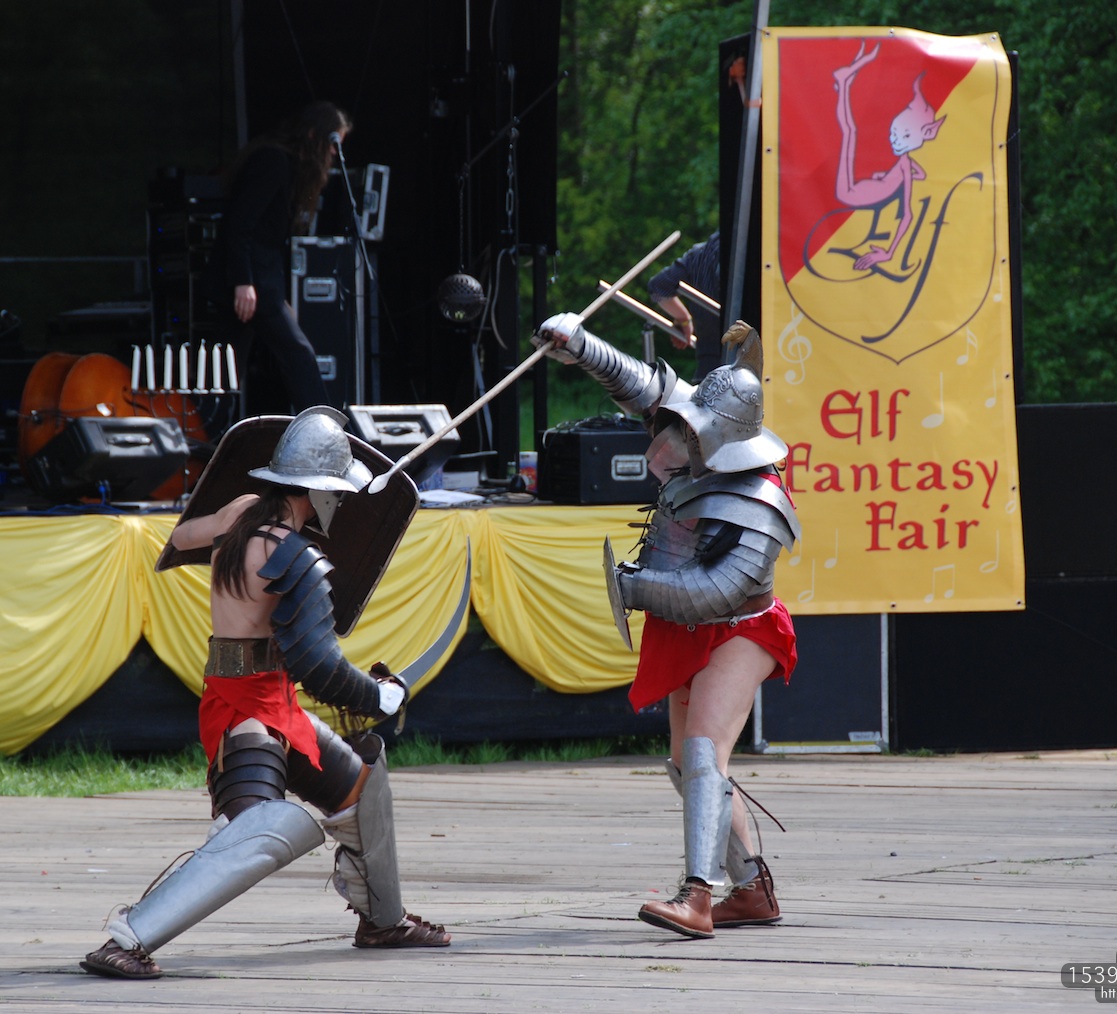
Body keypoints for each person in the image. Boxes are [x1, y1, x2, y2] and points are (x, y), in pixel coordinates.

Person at [80, 406, 450, 979]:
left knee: (361, 788)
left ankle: (383, 921)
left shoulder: (239, 518)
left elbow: (180, 538)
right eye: (335, 493)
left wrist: (224, 524)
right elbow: (318, 662)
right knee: (256, 831)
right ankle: (126, 940)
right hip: (247, 717)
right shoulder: (294, 557)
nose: (339, 503)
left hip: (267, 703)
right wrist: (379, 698)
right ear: (318, 491)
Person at [535, 311, 802, 940]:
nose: (684, 435)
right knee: (686, 765)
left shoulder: (759, 501)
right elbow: (646, 388)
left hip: (742, 627)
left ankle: (697, 897)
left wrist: (631, 586)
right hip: (686, 624)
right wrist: (580, 345)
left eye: (698, 430)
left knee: (706, 752)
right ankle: (753, 889)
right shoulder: (700, 422)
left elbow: (720, 591)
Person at [211, 101, 351, 415]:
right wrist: (243, 281)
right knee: (297, 355)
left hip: (261, 283)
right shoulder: (272, 161)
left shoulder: (286, 166)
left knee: (228, 369)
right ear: (314, 135)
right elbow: (240, 224)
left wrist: (277, 295)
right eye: (332, 144)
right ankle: (322, 430)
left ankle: (209, 431)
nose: (334, 153)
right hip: (251, 282)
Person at [648, 231, 720, 370]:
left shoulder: (699, 254)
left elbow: (658, 287)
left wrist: (683, 319)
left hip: (708, 370)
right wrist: (684, 319)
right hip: (749, 368)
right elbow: (658, 287)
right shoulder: (758, 254)